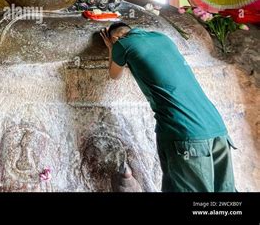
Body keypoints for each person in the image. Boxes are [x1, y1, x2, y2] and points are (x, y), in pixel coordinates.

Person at [100, 22, 236, 192]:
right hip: (217, 129)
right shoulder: (162, 37)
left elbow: (114, 75)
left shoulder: (122, 44)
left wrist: (112, 49)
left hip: (185, 133)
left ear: (115, 37)